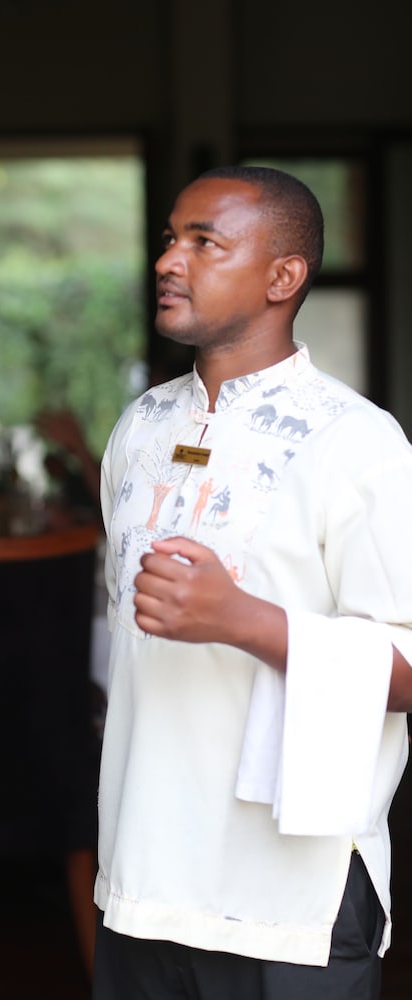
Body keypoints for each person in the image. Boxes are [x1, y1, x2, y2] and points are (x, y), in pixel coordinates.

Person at [93, 165, 412, 999]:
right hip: (139, 882)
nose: (168, 260)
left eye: (205, 242)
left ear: (282, 276)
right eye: (170, 238)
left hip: (288, 903)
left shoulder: (358, 443)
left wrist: (241, 620)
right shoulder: (139, 428)